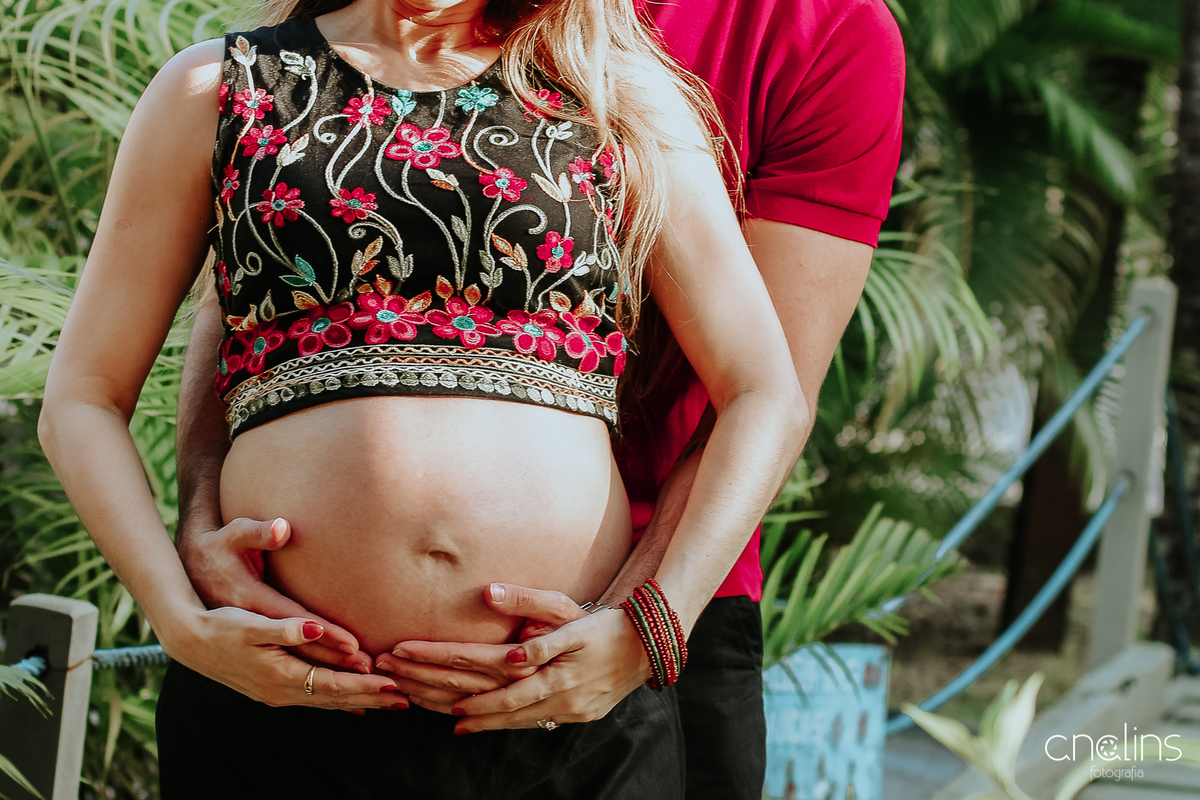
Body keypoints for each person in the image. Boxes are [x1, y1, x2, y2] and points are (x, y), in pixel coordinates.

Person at [37, 0, 809, 797]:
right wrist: (180, 622)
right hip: (273, 704)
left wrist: (649, 632)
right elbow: (83, 398)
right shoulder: (217, 87)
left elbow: (763, 394)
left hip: (559, 715)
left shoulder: (615, 95)